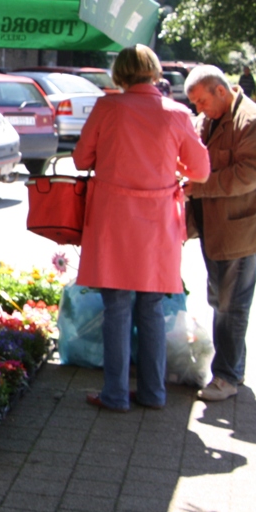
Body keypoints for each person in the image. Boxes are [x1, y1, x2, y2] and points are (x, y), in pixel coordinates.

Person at [73, 45, 210, 412]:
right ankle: (153, 393)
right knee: (150, 308)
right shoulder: (177, 113)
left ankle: (115, 394)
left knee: (116, 306)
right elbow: (200, 170)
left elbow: (81, 158)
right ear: (152, 71)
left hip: (113, 220)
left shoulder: (108, 108)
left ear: (120, 73)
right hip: (158, 223)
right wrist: (174, 166)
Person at [183, 65, 256, 401]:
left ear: (221, 91)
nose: (198, 109)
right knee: (220, 299)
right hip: (215, 228)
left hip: (242, 228)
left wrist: (199, 186)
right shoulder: (206, 120)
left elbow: (250, 174)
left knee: (232, 304)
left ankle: (226, 376)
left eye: (201, 101)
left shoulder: (251, 120)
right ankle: (233, 368)